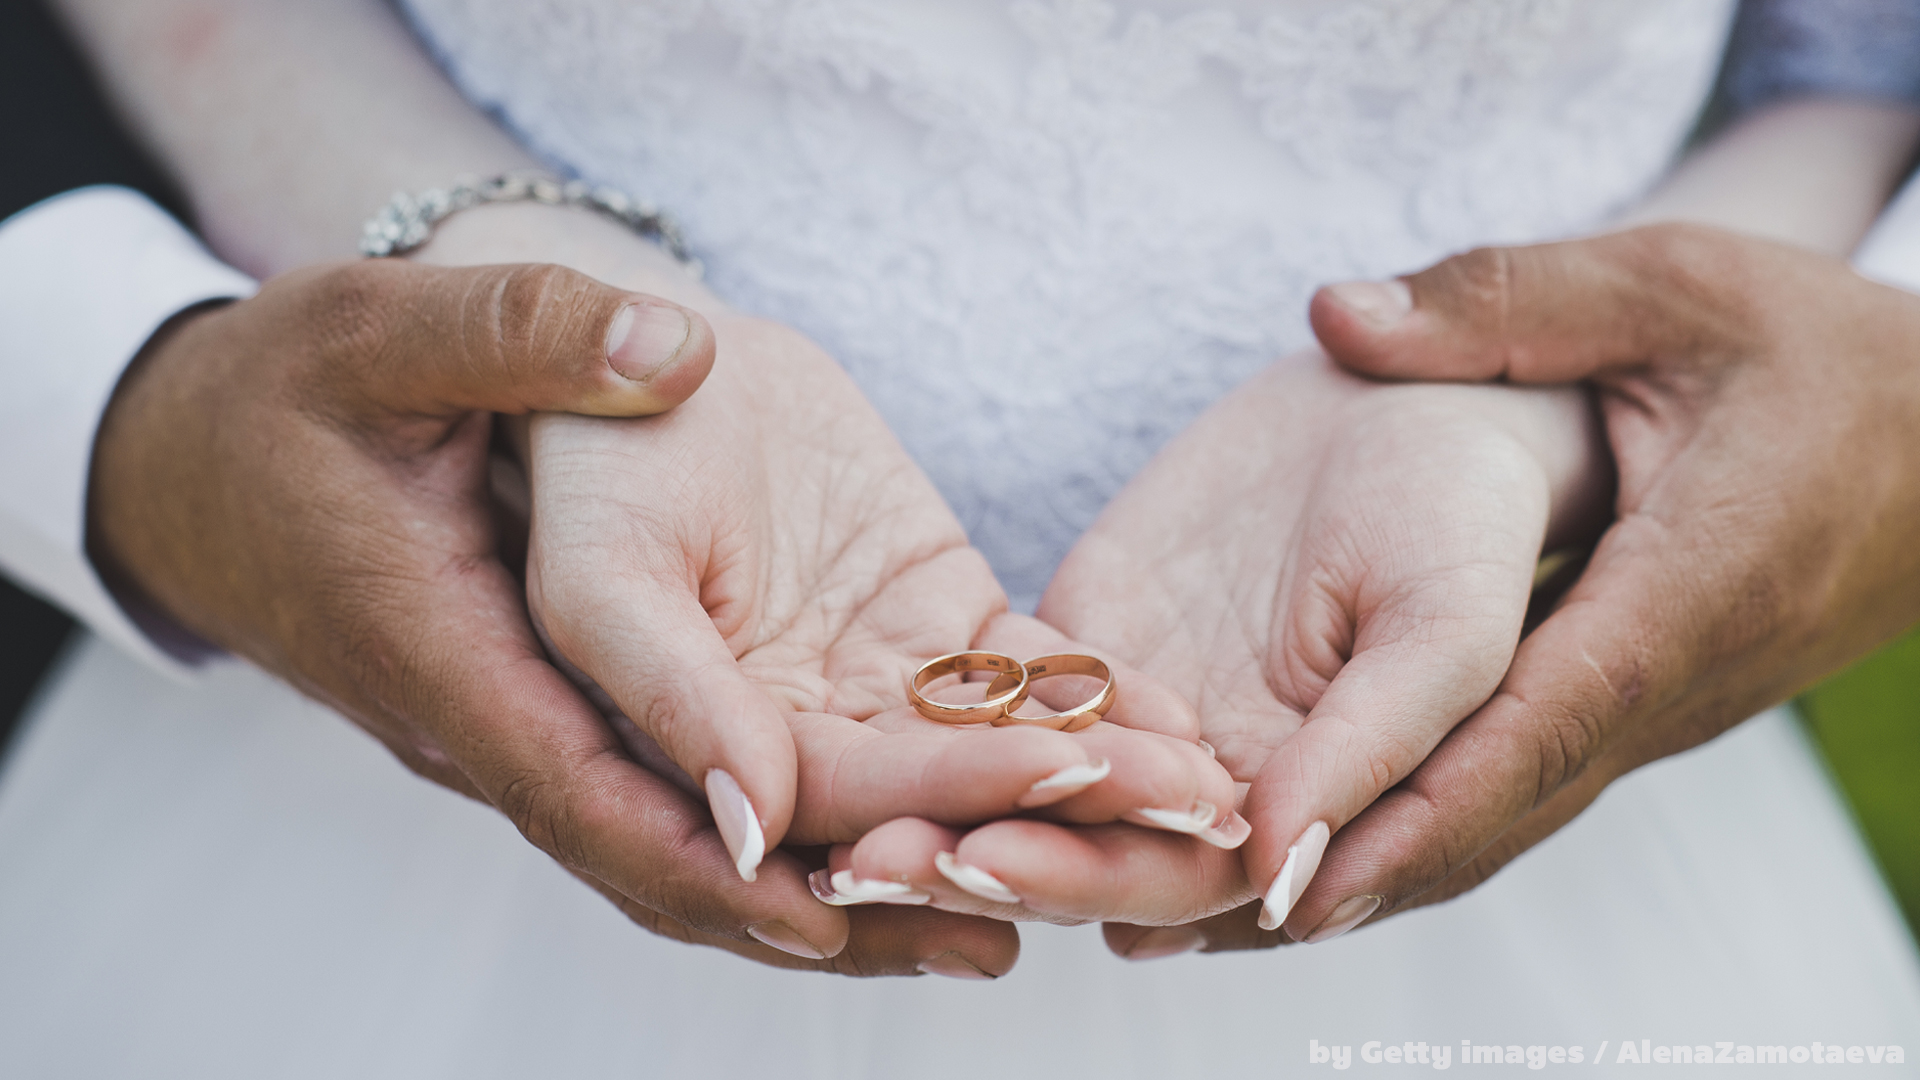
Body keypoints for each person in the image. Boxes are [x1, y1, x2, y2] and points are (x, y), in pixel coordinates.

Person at [1, 1, 1917, 1076]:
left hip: (1505, 773)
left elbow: (1861, 59)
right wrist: (481, 291)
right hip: (386, 771)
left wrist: (1579, 389)